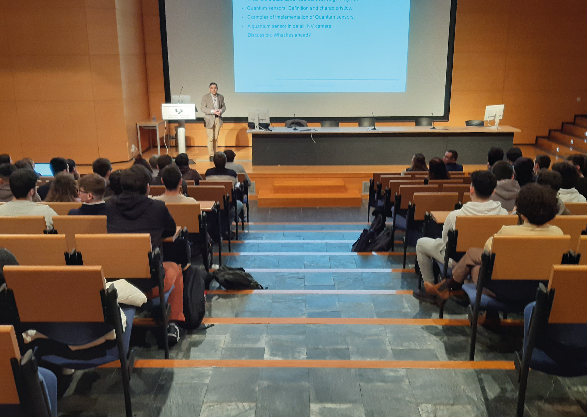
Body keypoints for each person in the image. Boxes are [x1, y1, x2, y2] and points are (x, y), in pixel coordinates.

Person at [425, 184, 563, 305]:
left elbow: (488, 250)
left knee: (475, 263)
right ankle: (448, 288)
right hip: (541, 289)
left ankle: (447, 287)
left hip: (506, 290)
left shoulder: (508, 232)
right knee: (475, 262)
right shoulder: (558, 233)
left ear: (522, 213)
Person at [106, 165, 184, 344]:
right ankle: (173, 323)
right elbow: (170, 230)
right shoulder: (157, 207)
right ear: (148, 187)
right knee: (176, 268)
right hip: (148, 284)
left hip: (114, 282)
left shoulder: (107, 206)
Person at [412, 170, 508, 303]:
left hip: (457, 261)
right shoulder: (504, 214)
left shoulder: (455, 216)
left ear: (471, 189)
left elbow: (446, 244)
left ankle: (432, 290)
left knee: (422, 243)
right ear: (493, 191)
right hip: (487, 261)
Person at [201, 82, 226, 161]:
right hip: (209, 119)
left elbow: (224, 107)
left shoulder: (220, 97)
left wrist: (220, 111)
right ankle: (211, 155)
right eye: (212, 88)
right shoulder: (205, 97)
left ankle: (215, 154)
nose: (213, 90)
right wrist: (213, 111)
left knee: (215, 138)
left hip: (218, 119)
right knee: (210, 138)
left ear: (217, 89)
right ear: (209, 89)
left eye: (215, 88)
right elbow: (203, 108)